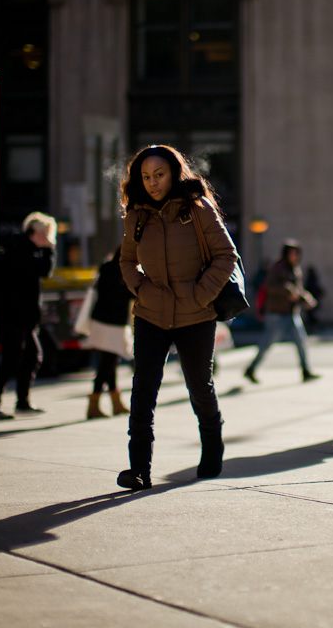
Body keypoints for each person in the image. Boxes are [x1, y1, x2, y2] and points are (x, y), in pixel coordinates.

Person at [117, 145, 238, 490]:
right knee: (143, 391)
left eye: (159, 175)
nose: (153, 183)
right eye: (146, 177)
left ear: (173, 173)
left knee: (200, 386)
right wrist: (141, 290)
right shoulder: (136, 215)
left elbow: (226, 255)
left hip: (196, 314)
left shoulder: (198, 208)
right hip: (150, 313)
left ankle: (212, 448)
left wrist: (201, 295)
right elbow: (126, 261)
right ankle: (139, 469)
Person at [0, 212, 57, 420]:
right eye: (45, 233)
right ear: (35, 232)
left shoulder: (25, 249)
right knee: (12, 359)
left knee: (32, 356)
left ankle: (22, 402)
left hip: (23, 317)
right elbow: (45, 271)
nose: (48, 238)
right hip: (11, 316)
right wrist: (50, 250)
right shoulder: (21, 251)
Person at [244, 240, 319, 383]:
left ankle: (306, 371)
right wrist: (287, 291)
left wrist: (306, 298)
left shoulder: (296, 269)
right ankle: (251, 369)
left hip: (292, 313)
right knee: (267, 344)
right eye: (291, 253)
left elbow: (298, 290)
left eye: (296, 253)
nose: (294, 256)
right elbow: (270, 286)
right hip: (276, 314)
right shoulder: (277, 268)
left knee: (301, 342)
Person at [86, 247, 134, 419]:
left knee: (108, 362)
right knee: (107, 364)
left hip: (100, 321)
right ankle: (94, 404)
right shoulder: (126, 272)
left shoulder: (106, 267)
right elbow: (131, 294)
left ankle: (115, 403)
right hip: (113, 324)